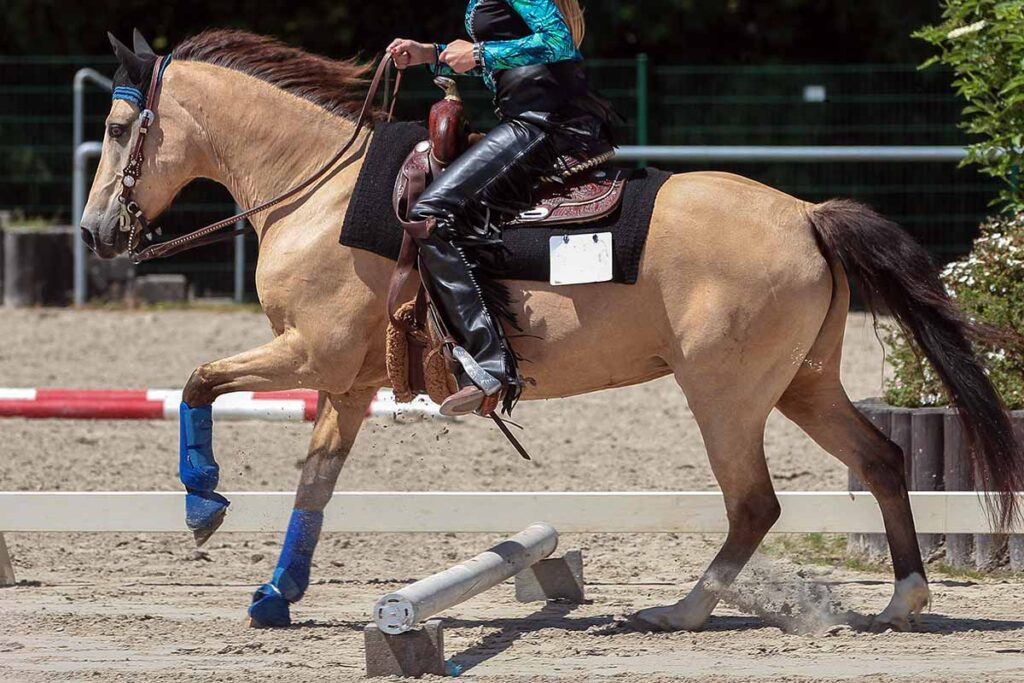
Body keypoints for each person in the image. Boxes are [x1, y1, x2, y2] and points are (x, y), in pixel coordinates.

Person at [387, 0, 620, 417]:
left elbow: (557, 42)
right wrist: (432, 52)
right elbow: (512, 48)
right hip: (533, 119)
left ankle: (490, 366)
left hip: (546, 124)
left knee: (432, 215)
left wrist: (477, 53)